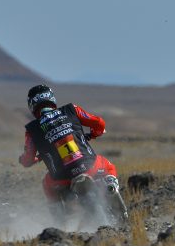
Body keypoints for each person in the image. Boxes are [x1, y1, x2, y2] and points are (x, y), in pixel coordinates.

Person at [19, 84, 124, 213]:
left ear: (32, 105)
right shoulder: (71, 109)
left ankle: (60, 216)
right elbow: (99, 123)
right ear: (51, 98)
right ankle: (111, 185)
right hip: (90, 166)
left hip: (62, 178)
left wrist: (27, 160)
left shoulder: (31, 130)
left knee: (47, 185)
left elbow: (28, 159)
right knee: (108, 166)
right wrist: (95, 133)